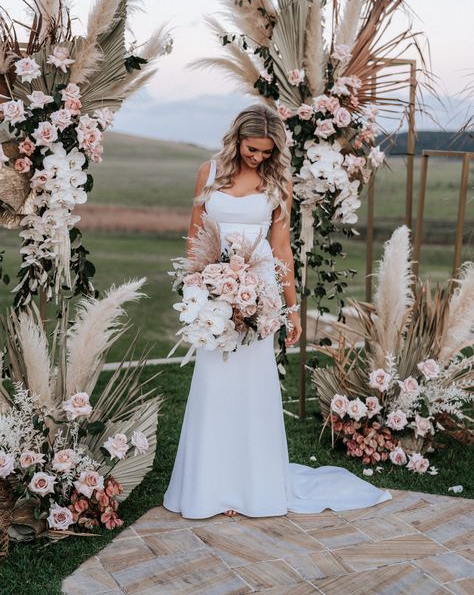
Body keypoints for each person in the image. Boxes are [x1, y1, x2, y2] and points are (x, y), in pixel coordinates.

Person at [163, 103, 391, 519]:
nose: (259, 158)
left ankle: (252, 487)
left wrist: (292, 307)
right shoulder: (208, 173)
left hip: (260, 291)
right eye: (253, 149)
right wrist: (198, 289)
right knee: (214, 383)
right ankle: (211, 488)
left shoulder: (277, 181)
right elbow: (195, 236)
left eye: (267, 152)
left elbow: (282, 246)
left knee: (252, 386)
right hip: (214, 290)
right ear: (237, 140)